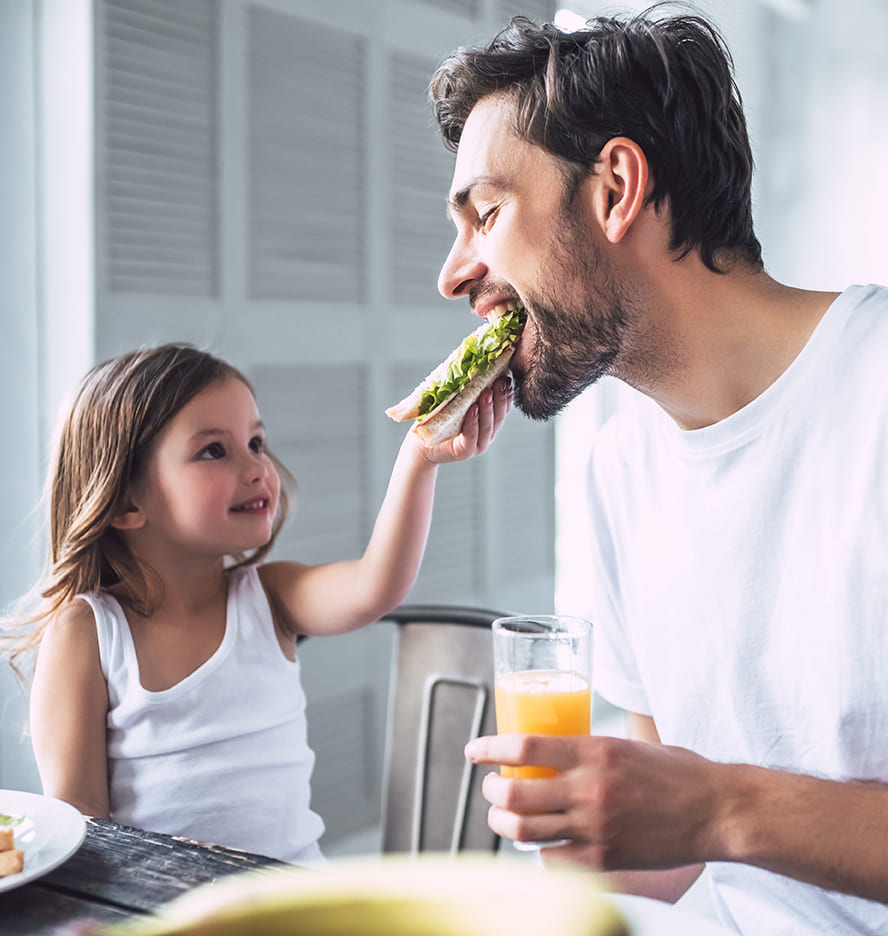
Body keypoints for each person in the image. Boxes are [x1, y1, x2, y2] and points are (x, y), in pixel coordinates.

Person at [429, 7, 888, 935]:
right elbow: (676, 852)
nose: (453, 274)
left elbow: (711, 814)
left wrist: (721, 807)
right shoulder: (620, 471)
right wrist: (584, 830)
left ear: (616, 189)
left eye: (487, 213)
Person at [1, 343, 510, 864]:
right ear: (127, 501)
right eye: (213, 451)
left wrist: (419, 456)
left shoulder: (270, 597)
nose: (256, 469)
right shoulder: (87, 633)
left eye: (256, 442)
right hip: (163, 906)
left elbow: (374, 586)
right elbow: (82, 827)